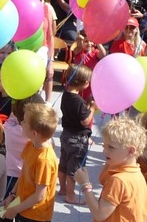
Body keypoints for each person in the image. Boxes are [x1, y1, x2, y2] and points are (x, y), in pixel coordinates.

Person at [73, 118, 147, 221]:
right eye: (104, 146)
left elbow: (100, 215)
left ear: (131, 150)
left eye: (111, 147)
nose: (105, 151)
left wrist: (85, 185)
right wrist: (110, 160)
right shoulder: (135, 172)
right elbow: (103, 180)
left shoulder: (118, 180)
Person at [0, 103, 58, 221]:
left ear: (34, 133)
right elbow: (23, 173)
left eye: (24, 122)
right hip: (23, 208)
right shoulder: (30, 145)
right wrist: (12, 195)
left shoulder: (44, 160)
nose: (21, 123)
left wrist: (15, 210)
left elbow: (39, 196)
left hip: (35, 216)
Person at [58, 65, 93, 205]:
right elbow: (85, 121)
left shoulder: (66, 94)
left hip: (66, 135)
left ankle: (63, 189)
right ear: (84, 83)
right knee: (74, 169)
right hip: (77, 139)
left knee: (64, 164)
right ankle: (70, 195)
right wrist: (92, 108)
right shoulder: (78, 102)